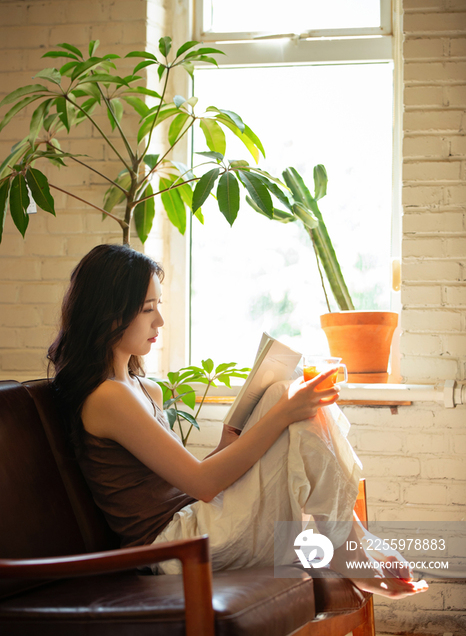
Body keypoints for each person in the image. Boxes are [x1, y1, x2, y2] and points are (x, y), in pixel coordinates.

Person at [48, 243, 428, 600]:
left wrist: (230, 440)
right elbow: (203, 483)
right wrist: (281, 415)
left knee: (284, 392)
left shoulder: (144, 389)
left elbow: (188, 484)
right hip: (172, 548)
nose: (160, 320)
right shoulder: (107, 397)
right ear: (110, 313)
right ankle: (352, 547)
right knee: (284, 400)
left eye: (158, 305)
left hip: (191, 521)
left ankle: (351, 543)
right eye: (148, 308)